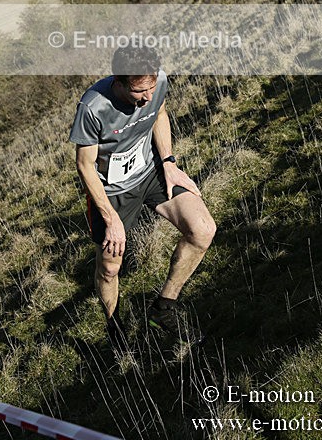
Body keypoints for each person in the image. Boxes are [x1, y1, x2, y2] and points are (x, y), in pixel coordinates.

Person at [69, 45, 216, 350]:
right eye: (138, 91)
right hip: (113, 192)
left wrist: (169, 163)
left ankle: (163, 308)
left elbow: (159, 113)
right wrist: (110, 219)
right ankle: (114, 327)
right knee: (110, 268)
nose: (147, 97)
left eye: (151, 88)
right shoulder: (93, 107)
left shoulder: (156, 81)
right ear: (119, 82)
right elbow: (84, 166)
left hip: (151, 173)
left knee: (203, 230)